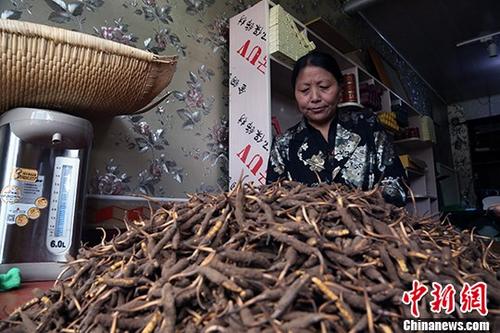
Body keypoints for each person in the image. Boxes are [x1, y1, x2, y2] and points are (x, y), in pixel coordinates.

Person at [266, 50, 407, 206]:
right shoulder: (283, 144)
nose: (314, 98)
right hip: (306, 228)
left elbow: (396, 186)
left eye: (324, 87)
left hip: (369, 228)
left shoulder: (368, 126)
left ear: (340, 89)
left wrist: (354, 206)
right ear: (295, 94)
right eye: (305, 90)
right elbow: (274, 200)